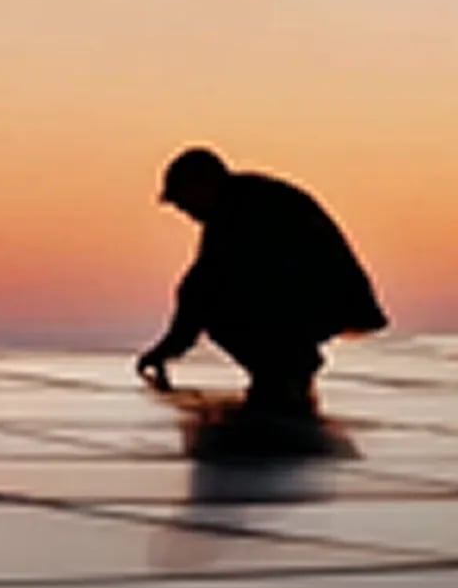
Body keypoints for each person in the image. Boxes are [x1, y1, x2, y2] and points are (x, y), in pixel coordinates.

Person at [135, 146, 387, 414]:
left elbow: (201, 287)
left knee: (218, 310)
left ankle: (283, 373)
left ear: (202, 186)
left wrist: (168, 349)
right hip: (318, 297)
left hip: (326, 298)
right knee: (220, 299)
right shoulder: (244, 200)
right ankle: (286, 371)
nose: (184, 211)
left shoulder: (242, 209)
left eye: (183, 200)